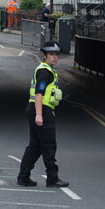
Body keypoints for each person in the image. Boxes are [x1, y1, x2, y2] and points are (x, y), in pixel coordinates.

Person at [17, 40, 69, 188]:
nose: (55, 57)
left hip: (40, 108)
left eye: (57, 54)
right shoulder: (44, 71)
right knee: (49, 145)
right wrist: (39, 115)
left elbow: (46, 95)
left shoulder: (48, 70)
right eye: (51, 54)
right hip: (39, 110)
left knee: (35, 145)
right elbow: (39, 94)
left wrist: (50, 108)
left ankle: (23, 177)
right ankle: (52, 178)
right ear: (44, 55)